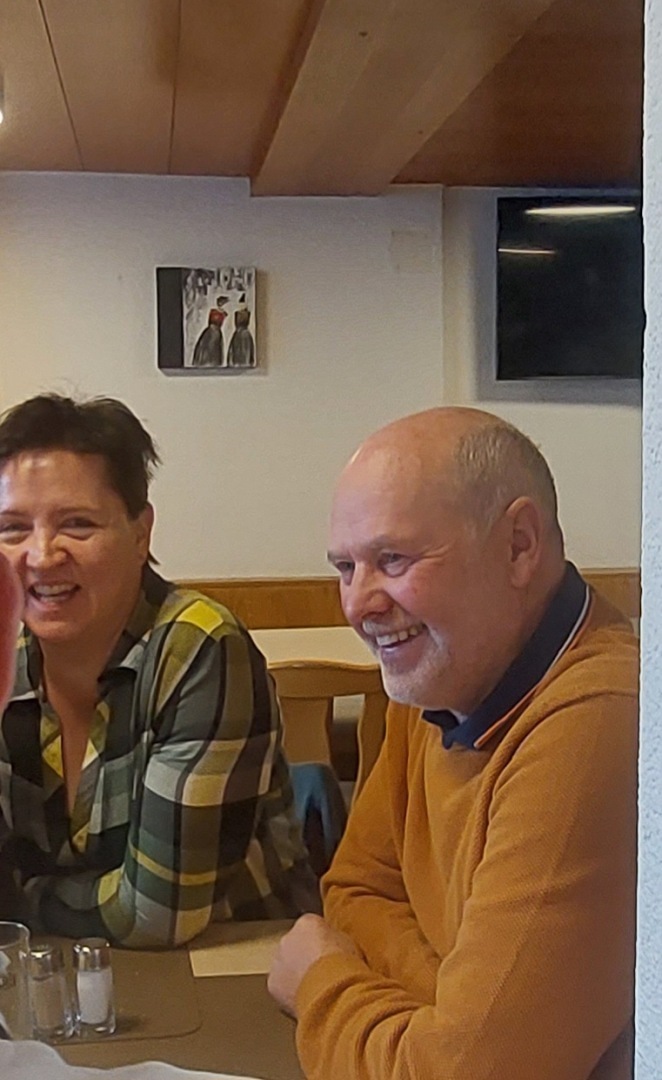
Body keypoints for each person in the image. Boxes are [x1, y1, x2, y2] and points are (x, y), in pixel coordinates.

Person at [268, 407, 638, 1080]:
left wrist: (321, 981)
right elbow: (352, 890)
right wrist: (454, 997)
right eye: (346, 567)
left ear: (519, 546)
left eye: (393, 560)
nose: (358, 604)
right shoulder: (439, 675)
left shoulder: (599, 722)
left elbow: (468, 1074)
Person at [0, 394, 316, 949]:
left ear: (141, 532)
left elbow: (157, 914)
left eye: (77, 524)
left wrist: (23, 897)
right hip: (69, 968)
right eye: (12, 529)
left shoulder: (199, 648)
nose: (42, 555)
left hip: (233, 961)